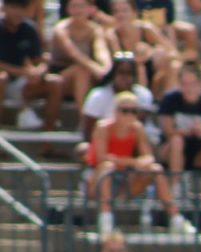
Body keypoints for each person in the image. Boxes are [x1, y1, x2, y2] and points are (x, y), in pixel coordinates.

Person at [86, 90, 195, 236]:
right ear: (115, 111)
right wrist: (133, 162)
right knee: (107, 167)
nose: (129, 115)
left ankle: (176, 218)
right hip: (99, 181)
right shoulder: (103, 127)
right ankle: (105, 221)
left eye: (133, 111)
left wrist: (129, 162)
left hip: (125, 181)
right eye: (125, 111)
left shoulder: (137, 128)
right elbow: (102, 159)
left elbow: (148, 158)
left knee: (155, 169)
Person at [0, 0, 64, 134]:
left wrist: (38, 72)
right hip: (4, 82)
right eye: (14, 6)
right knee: (2, 78)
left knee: (56, 82)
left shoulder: (30, 29)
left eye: (22, 7)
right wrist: (19, 72)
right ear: (4, 7)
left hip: (24, 84)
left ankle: (48, 141)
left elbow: (40, 59)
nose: (18, 12)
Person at [79, 51, 155, 147]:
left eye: (129, 73)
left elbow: (138, 126)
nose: (125, 77)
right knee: (83, 148)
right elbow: (88, 131)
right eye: (121, 72)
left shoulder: (144, 95)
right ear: (113, 74)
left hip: (135, 143)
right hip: (103, 142)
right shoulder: (97, 95)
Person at [157, 62, 201, 181]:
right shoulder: (170, 99)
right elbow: (168, 131)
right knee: (177, 141)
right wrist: (186, 132)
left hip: (200, 147)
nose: (189, 88)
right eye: (184, 84)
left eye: (193, 84)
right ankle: (176, 185)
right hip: (172, 148)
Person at [105, 0, 179, 97]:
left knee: (173, 65)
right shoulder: (112, 35)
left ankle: (168, 102)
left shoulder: (146, 29)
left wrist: (152, 52)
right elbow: (119, 59)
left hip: (152, 74)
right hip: (127, 74)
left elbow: (173, 52)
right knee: (139, 66)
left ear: (134, 13)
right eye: (116, 11)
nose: (121, 15)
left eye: (125, 11)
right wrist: (138, 58)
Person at [49, 0, 110, 105]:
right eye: (74, 6)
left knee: (87, 73)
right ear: (68, 9)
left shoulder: (95, 29)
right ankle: (84, 118)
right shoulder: (61, 29)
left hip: (88, 76)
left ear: (90, 9)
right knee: (81, 70)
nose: (78, 10)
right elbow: (73, 53)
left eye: (81, 6)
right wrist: (95, 68)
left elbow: (101, 50)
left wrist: (106, 68)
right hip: (60, 76)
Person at [134, 0, 199, 67]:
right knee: (149, 29)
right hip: (144, 33)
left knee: (190, 30)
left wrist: (173, 46)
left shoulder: (166, 2)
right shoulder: (135, 3)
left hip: (162, 34)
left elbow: (169, 26)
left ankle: (189, 61)